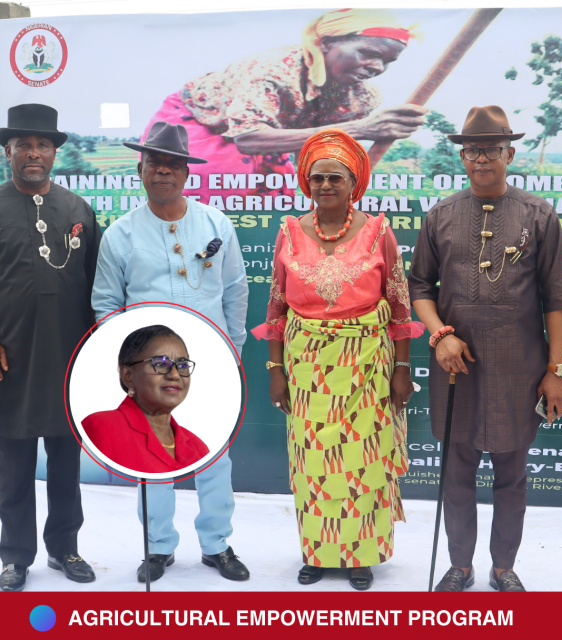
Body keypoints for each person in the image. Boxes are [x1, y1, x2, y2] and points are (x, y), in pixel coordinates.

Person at [408, 105, 562, 592]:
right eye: (472, 150)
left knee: (511, 474)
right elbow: (419, 286)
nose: (481, 158)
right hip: (455, 366)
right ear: (462, 157)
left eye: (491, 149)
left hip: (518, 367)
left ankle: (504, 567)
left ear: (510, 154)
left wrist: (556, 371)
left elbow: (557, 300)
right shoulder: (441, 214)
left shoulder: (537, 214)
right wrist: (440, 334)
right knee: (456, 473)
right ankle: (460, 566)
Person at [252, 128, 424, 590]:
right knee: (313, 462)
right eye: (317, 177)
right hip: (306, 369)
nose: (325, 185)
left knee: (362, 460)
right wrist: (275, 370)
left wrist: (402, 369)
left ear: (354, 184)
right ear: (306, 182)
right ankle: (317, 551)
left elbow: (400, 306)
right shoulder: (289, 232)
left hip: (367, 365)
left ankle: (360, 554)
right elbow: (276, 308)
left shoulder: (378, 232)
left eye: (336, 177)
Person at [91, 121, 249, 583]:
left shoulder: (215, 224)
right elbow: (106, 303)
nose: (163, 171)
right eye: (154, 164)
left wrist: (233, 351)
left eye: (172, 165)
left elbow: (235, 291)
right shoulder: (121, 234)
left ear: (186, 172)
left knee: (214, 456)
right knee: (152, 457)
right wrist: (129, 365)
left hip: (210, 360)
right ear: (140, 170)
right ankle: (158, 547)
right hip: (152, 368)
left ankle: (217, 545)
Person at [142, 8, 426, 206]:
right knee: (220, 192)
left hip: (269, 134)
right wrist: (361, 129)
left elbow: (318, 146)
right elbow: (248, 139)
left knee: (275, 204)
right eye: (368, 53)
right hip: (201, 123)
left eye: (387, 61)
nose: (377, 67)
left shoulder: (361, 97)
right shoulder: (274, 70)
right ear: (327, 43)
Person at [0, 104, 101, 591]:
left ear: (55, 153)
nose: (34, 153)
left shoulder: (78, 210)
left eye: (43, 145)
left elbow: (98, 285)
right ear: (8, 152)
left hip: (69, 356)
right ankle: (16, 556)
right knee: (13, 463)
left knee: (65, 461)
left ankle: (65, 548)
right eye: (24, 145)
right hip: (11, 359)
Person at [82, 325, 210, 474]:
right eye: (161, 364)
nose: (175, 375)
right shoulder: (101, 428)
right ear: (128, 375)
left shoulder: (199, 448)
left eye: (182, 365)